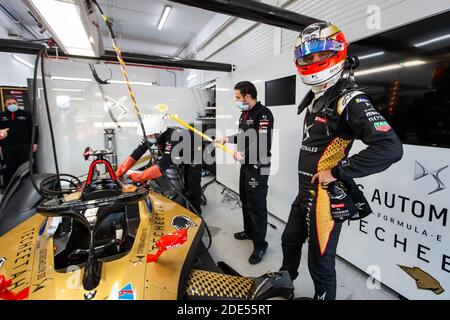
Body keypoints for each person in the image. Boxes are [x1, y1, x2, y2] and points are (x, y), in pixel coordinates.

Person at [280, 22, 403, 300]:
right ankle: (284, 285)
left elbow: (390, 148)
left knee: (320, 262)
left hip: (323, 197)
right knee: (289, 241)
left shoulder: (350, 98)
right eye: (306, 57)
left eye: (316, 56)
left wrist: (337, 171)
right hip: (304, 192)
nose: (310, 62)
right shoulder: (319, 94)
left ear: (335, 53)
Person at [215, 81, 274, 264]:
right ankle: (249, 231)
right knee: (246, 199)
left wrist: (245, 154)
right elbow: (243, 135)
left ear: (248, 96)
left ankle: (260, 245)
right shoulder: (245, 113)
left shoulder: (263, 114)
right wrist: (227, 138)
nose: (237, 101)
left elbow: (264, 143)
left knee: (256, 205)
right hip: (246, 164)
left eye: (238, 97)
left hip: (258, 165)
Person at [115, 115, 202, 214]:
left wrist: (140, 177)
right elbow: (136, 153)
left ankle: (196, 215)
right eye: (147, 136)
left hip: (193, 155)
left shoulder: (174, 137)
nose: (148, 138)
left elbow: (164, 164)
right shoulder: (151, 135)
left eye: (150, 136)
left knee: (192, 186)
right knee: (177, 181)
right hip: (176, 155)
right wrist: (118, 172)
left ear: (159, 133)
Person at [0, 95, 38, 187]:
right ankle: (9, 187)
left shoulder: (26, 114)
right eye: (9, 104)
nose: (12, 105)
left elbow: (34, 129)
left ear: (17, 103)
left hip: (25, 145)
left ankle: (27, 186)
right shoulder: (2, 116)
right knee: (10, 167)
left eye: (14, 103)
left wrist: (35, 143)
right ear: (5, 105)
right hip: (8, 147)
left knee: (26, 166)